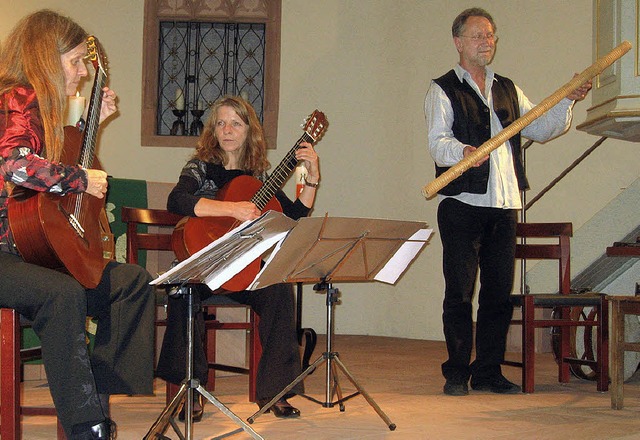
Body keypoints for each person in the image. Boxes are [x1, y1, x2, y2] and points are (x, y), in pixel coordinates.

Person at [0, 10, 155, 439]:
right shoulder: (17, 97)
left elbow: (51, 171)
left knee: (130, 284)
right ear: (45, 58)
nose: (83, 73)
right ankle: (86, 426)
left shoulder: (42, 113)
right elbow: (14, 164)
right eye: (75, 62)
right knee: (64, 293)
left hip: (28, 252)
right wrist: (81, 178)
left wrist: (90, 127)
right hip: (2, 253)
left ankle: (96, 404)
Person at [424, 7, 592, 397]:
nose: (488, 42)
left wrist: (567, 99)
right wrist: (463, 150)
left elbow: (542, 127)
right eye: (479, 35)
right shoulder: (443, 88)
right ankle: (456, 372)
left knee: (498, 293)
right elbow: (437, 141)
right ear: (459, 42)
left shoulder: (508, 89)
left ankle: (487, 372)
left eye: (491, 35)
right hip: (462, 204)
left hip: (503, 205)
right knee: (460, 292)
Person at [156, 95, 321, 420]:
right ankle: (192, 390)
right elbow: (176, 200)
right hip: (202, 262)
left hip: (241, 268)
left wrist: (312, 174)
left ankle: (275, 392)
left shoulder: (258, 177)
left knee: (279, 291)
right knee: (183, 294)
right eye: (221, 123)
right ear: (213, 130)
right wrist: (232, 209)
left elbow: (295, 213)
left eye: (235, 123)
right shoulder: (200, 167)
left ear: (250, 130)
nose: (227, 129)